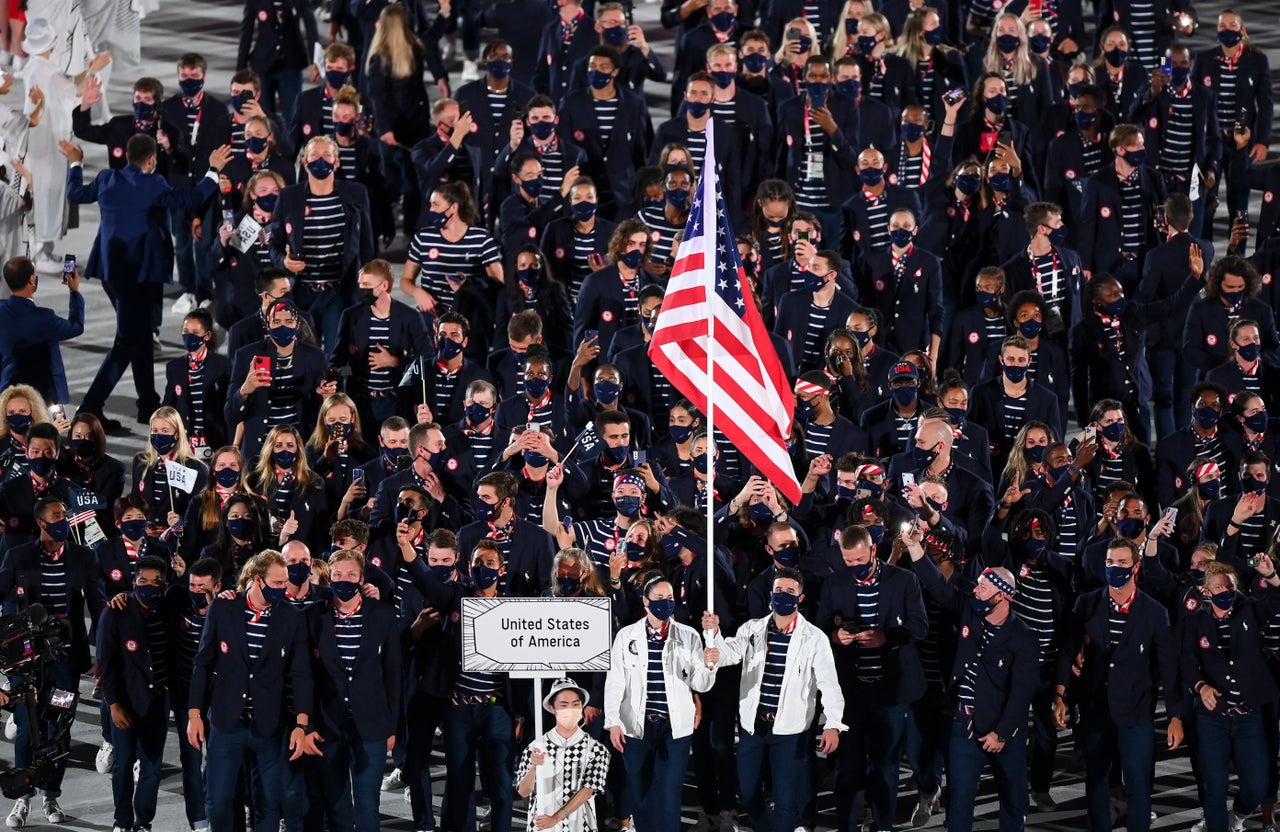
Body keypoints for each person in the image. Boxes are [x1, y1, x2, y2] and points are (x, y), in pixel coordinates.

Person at [62, 133, 232, 431]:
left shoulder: (107, 178)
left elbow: (75, 195)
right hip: (137, 277)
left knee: (139, 336)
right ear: (152, 160)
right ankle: (89, 410)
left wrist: (76, 163)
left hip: (110, 274)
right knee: (127, 341)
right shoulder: (153, 184)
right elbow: (190, 199)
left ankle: (147, 403)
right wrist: (213, 170)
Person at [702, 568, 845, 832]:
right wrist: (714, 633)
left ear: (800, 598)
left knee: (785, 801)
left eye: (790, 592)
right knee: (747, 794)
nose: (783, 596)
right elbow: (727, 654)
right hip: (753, 728)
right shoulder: (752, 629)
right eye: (778, 590)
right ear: (770, 594)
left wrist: (833, 723)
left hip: (790, 732)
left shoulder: (814, 639)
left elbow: (829, 684)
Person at [186, 549, 318, 832]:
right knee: (219, 800)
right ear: (258, 581)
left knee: (269, 801)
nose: (285, 588)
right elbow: (203, 663)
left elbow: (301, 674)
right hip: (225, 721)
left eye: (285, 583)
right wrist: (194, 714)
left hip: (269, 725)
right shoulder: (224, 608)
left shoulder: (291, 616)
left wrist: (301, 724)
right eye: (278, 583)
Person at [604, 575, 715, 832]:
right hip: (636, 726)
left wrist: (709, 665)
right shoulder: (626, 636)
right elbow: (615, 682)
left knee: (669, 791)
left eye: (670, 599)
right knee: (640, 792)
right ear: (645, 601)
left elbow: (700, 684)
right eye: (659, 598)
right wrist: (613, 722)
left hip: (673, 727)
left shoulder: (688, 636)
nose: (666, 604)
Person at [95, 555, 172, 832]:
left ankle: (143, 823)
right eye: (142, 581)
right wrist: (114, 704)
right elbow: (107, 663)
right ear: (134, 581)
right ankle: (122, 822)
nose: (149, 587)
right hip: (125, 702)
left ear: (163, 585)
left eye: (155, 582)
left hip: (157, 701)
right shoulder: (115, 612)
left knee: (151, 767)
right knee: (124, 764)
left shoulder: (167, 609)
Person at [515, 678, 612, 832]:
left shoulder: (596, 749)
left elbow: (588, 790)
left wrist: (555, 819)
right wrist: (533, 767)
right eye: (564, 705)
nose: (570, 709)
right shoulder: (536, 747)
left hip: (579, 825)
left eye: (576, 704)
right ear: (553, 708)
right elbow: (523, 791)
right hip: (542, 825)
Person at [0, 256, 83, 405]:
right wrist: (74, 292)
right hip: (42, 397)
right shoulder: (45, 318)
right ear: (32, 280)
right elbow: (76, 327)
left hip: (5, 392)